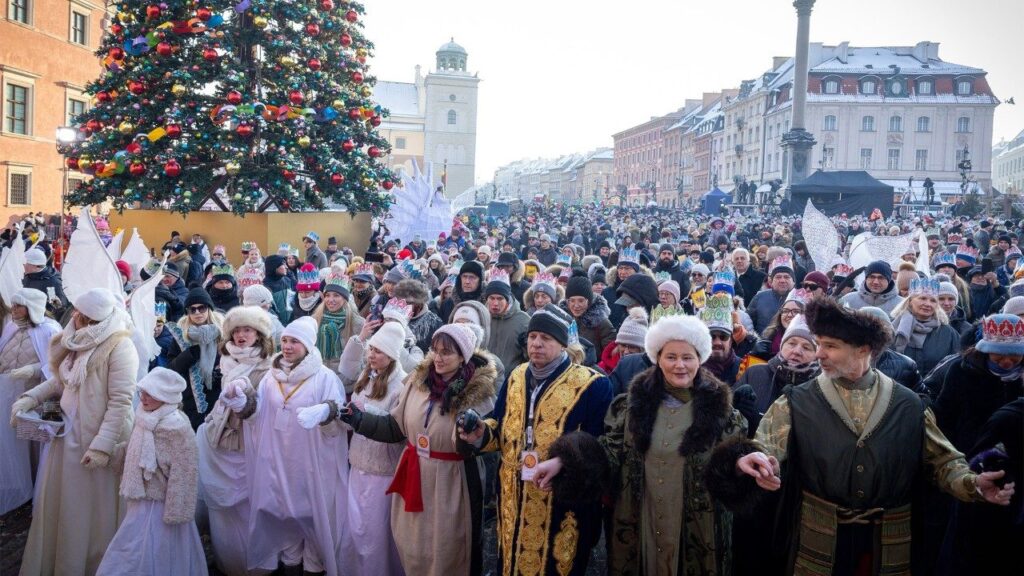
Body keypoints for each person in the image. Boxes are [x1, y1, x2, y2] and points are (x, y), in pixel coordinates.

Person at [707, 298, 1016, 576]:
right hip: (817, 537)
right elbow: (766, 446)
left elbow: (944, 461)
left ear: (863, 350)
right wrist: (754, 459)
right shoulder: (796, 400)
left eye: (830, 346)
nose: (819, 354)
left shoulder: (908, 404)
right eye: (819, 344)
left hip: (890, 543)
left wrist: (973, 484)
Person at [539, 313, 746, 575]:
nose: (679, 365)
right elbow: (609, 452)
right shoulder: (631, 408)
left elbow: (730, 459)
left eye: (687, 357)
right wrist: (565, 459)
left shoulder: (721, 412)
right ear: (658, 359)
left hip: (696, 529)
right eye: (671, 357)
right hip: (640, 519)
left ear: (700, 359)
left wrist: (742, 461)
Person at [460, 307, 614, 575]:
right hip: (513, 494)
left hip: (559, 500)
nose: (536, 344)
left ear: (562, 344)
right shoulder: (517, 375)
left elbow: (599, 447)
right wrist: (480, 433)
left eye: (546, 338)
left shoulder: (593, 385)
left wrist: (563, 460)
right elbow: (501, 424)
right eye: (532, 336)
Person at [337, 324, 499, 575]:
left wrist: (471, 433)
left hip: (450, 482)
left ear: (463, 356)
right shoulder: (417, 381)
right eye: (435, 350)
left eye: (447, 352)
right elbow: (395, 427)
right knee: (412, 546)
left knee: (446, 550)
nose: (439, 357)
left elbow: (483, 440)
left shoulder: (477, 393)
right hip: (414, 473)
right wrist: (358, 419)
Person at [10, 288, 137, 576]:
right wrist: (31, 398)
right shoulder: (73, 337)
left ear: (97, 319)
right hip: (65, 434)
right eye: (77, 312)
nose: (77, 318)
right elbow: (60, 379)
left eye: (85, 316)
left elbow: (121, 401)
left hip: (95, 439)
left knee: (90, 511)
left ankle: (91, 566)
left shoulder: (120, 345)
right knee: (65, 507)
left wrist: (102, 446)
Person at [227, 316, 349, 575]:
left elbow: (339, 420)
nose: (288, 346)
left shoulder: (324, 377)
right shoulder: (272, 378)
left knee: (313, 518)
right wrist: (244, 407)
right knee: (282, 517)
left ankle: (314, 567)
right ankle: (290, 566)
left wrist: (326, 412)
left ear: (307, 345)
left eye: (295, 341)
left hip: (310, 463)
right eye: (284, 340)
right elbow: (259, 415)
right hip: (278, 461)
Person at [301, 321, 408, 576]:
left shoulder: (402, 385)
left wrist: (363, 413)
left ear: (392, 355)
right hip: (358, 464)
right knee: (357, 530)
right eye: (371, 350)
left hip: (383, 470)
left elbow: (398, 428)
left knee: (375, 535)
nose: (371, 355)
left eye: (378, 351)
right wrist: (332, 413)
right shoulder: (366, 377)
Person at [96, 368, 206, 576]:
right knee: (133, 544)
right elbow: (132, 449)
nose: (144, 398)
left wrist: (176, 511)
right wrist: (108, 455)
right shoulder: (145, 417)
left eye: (150, 393)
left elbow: (185, 472)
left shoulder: (177, 428)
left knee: (157, 547)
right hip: (141, 498)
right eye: (142, 392)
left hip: (161, 504)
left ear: (165, 396)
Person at [195, 306, 274, 576]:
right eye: (237, 330)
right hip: (221, 439)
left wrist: (245, 404)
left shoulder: (267, 366)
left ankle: (252, 563)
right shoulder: (227, 360)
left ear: (259, 335)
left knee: (245, 506)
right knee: (223, 512)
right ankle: (228, 560)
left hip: (247, 443)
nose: (241, 336)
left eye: (248, 330)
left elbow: (264, 410)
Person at [0, 288, 60, 515]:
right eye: (13, 305)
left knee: (33, 441)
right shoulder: (11, 327)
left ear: (32, 308)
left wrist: (32, 369)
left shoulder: (50, 330)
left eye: (19, 306)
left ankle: (35, 484)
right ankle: (17, 481)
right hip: (8, 392)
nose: (13, 310)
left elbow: (56, 366)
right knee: (11, 438)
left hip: (34, 394)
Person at [167, 288, 225, 429]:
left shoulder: (223, 333)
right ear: (188, 313)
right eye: (192, 310)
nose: (197, 312)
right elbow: (171, 369)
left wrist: (219, 375)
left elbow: (232, 362)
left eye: (202, 308)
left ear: (209, 309)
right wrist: (189, 355)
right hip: (191, 399)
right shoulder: (181, 336)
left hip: (218, 397)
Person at [889, 278, 961, 377]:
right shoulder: (893, 328)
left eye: (933, 300)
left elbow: (956, 367)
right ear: (910, 301)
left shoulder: (948, 333)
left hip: (934, 390)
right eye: (922, 298)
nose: (928, 304)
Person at [312, 274, 364, 374]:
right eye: (327, 295)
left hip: (345, 382)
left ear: (345, 299)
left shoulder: (357, 323)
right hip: (319, 376)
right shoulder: (315, 319)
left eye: (336, 295)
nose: (331, 300)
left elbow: (362, 357)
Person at [561, 274, 615, 353]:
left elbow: (610, 354)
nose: (576, 306)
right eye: (572, 300)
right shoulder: (561, 319)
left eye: (581, 301)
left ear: (589, 301)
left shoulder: (601, 322)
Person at [748, 255, 795, 334]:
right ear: (771, 282)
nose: (782, 280)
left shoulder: (800, 300)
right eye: (778, 277)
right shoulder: (760, 297)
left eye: (786, 277)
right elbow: (748, 323)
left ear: (793, 281)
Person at [839, 260, 905, 315]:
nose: (876, 282)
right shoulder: (848, 300)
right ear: (866, 279)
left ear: (889, 280)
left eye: (881, 278)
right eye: (872, 277)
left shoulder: (901, 305)